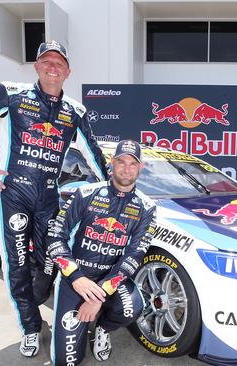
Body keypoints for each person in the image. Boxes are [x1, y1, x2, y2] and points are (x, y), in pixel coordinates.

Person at [0, 40, 109, 357]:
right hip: (15, 195)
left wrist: (114, 191)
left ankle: (36, 302)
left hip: (50, 195)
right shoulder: (11, 93)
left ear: (68, 72)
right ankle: (31, 328)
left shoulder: (75, 111)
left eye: (59, 63)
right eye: (46, 62)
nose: (53, 67)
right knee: (18, 266)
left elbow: (95, 157)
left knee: (49, 266)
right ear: (36, 67)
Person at [46, 140, 156, 365]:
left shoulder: (146, 207)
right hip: (76, 277)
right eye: (121, 162)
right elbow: (55, 237)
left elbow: (134, 255)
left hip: (111, 279)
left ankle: (103, 328)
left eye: (132, 164)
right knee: (67, 361)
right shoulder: (85, 193)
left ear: (140, 168)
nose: (126, 169)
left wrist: (98, 296)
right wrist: (76, 278)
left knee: (130, 309)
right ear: (112, 163)